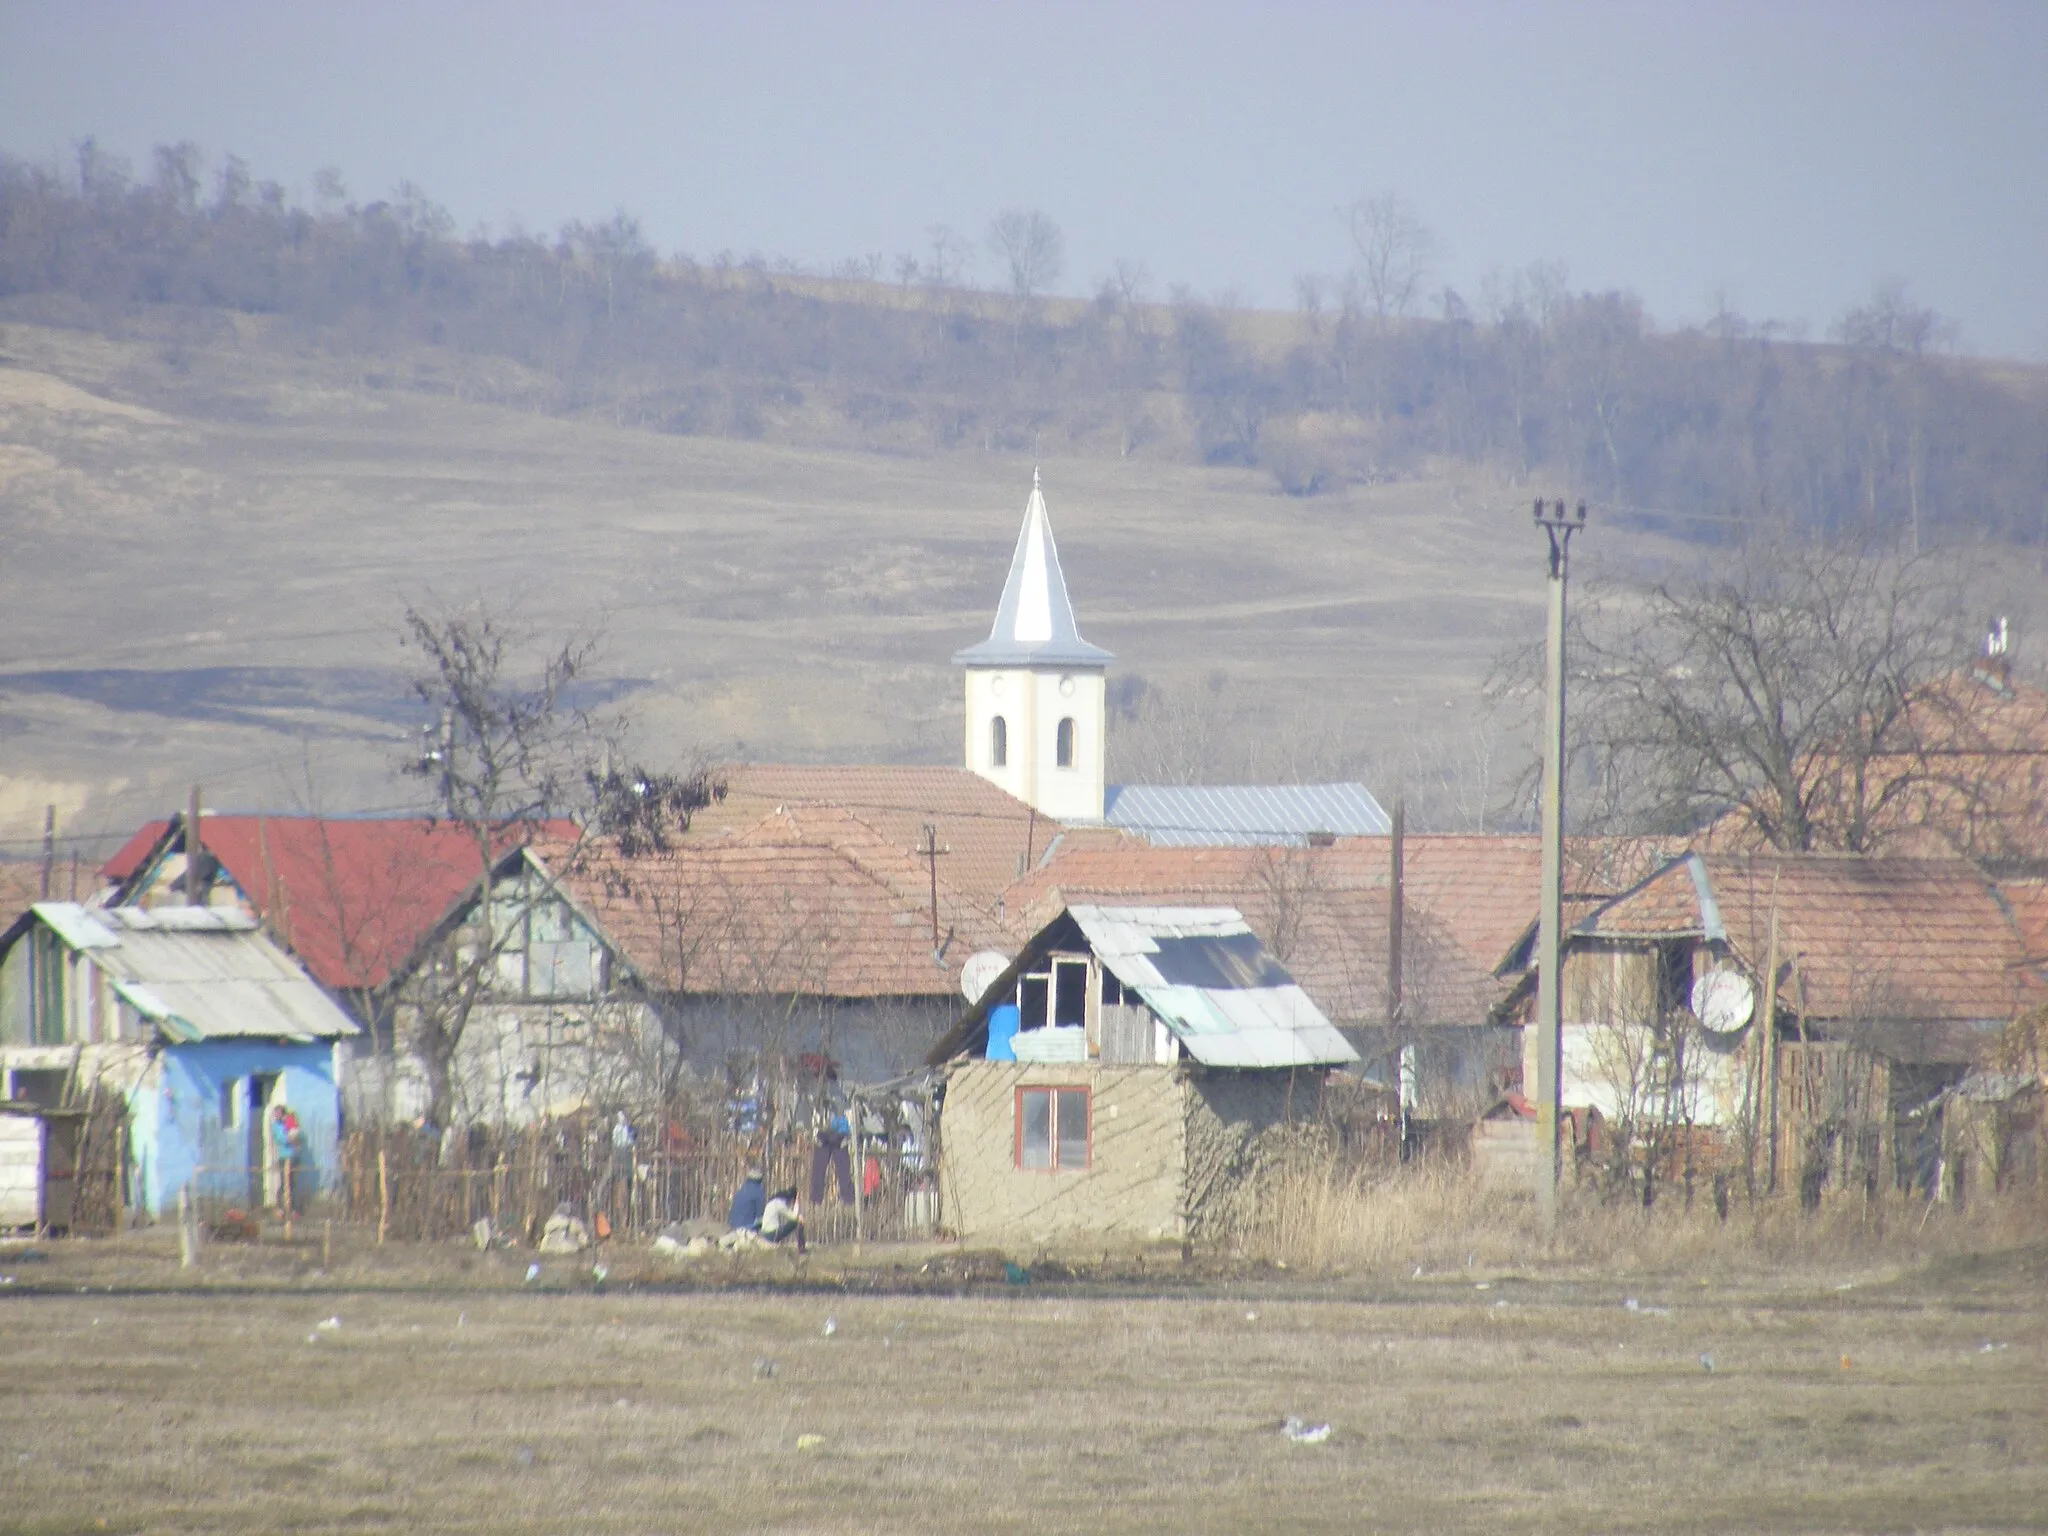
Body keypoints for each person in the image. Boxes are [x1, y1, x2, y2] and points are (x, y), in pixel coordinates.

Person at [269, 1104, 301, 1215]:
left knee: (292, 1183)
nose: (276, 1115)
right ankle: (280, 1207)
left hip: (293, 1156)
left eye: (278, 1113)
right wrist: (290, 1138)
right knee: (284, 1183)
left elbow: (297, 1137)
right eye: (275, 1113)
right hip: (284, 1157)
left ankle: (293, 1209)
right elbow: (282, 1139)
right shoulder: (275, 1126)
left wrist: (293, 1135)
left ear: (283, 1113)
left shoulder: (289, 1122)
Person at [759, 1186, 806, 1253]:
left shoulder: (773, 1202)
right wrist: (797, 1203)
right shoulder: (779, 1203)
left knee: (796, 1220)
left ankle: (801, 1247)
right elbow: (793, 1217)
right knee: (797, 1221)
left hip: (765, 1233)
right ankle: (801, 1247)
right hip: (772, 1234)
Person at [727, 1165, 766, 1233]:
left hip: (733, 1226)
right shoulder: (758, 1191)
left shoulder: (741, 1189)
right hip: (747, 1228)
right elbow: (759, 1213)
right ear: (760, 1179)